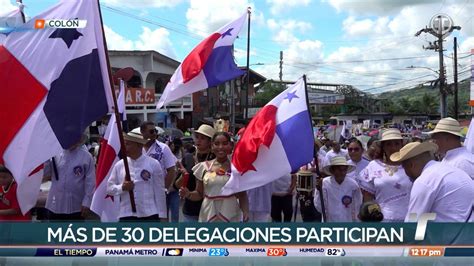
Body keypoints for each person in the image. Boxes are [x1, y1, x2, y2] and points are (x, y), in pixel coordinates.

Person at [390, 142, 474, 222]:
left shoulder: (424, 181)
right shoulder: (451, 170)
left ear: (411, 165)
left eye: (405, 168)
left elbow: (413, 223)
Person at [179, 132, 249, 222]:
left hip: (230, 213)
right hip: (208, 213)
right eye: (217, 144)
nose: (220, 147)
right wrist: (188, 194)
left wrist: (245, 211)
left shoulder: (236, 168)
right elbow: (199, 194)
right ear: (212, 146)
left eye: (224, 143)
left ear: (231, 146)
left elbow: (242, 195)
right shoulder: (203, 167)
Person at [107, 131, 166, 221]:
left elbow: (159, 192)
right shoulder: (119, 165)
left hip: (149, 215)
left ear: (139, 145)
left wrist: (163, 216)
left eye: (128, 144)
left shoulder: (153, 164)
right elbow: (109, 188)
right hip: (126, 215)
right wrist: (122, 187)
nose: (125, 147)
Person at [356, 129, 412, 222]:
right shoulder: (373, 166)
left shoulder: (411, 165)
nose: (393, 147)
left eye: (396, 143)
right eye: (388, 144)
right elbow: (368, 199)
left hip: (410, 220)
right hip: (382, 221)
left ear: (402, 145)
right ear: (383, 147)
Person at [44, 135, 95, 221]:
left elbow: (90, 182)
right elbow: (46, 174)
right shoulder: (54, 153)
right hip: (55, 204)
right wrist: (46, 158)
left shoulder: (86, 156)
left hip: (76, 206)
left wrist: (87, 202)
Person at [138, 122, 177, 221]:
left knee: (160, 220)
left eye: (155, 131)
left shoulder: (163, 148)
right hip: (141, 193)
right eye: (151, 131)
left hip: (158, 192)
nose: (154, 134)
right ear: (142, 132)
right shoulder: (137, 148)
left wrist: (163, 189)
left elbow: (171, 170)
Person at [177, 124, 216, 222]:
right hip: (190, 210)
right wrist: (184, 175)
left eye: (202, 138)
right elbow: (176, 185)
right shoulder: (188, 158)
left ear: (210, 141)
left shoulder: (215, 160)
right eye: (197, 137)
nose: (198, 140)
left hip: (211, 210)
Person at [314, 156, 362, 222]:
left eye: (344, 170)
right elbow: (318, 206)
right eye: (339, 170)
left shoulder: (353, 185)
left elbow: (357, 206)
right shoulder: (324, 184)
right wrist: (319, 191)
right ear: (332, 170)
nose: (342, 173)